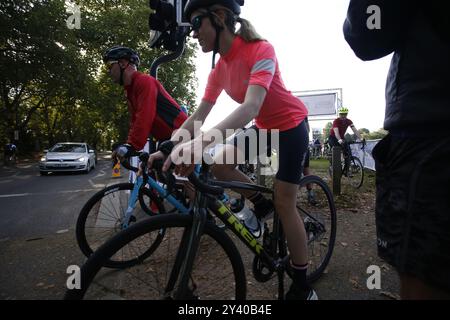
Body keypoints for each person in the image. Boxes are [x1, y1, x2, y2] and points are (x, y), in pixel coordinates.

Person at [148, 0, 317, 300]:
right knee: (220, 165)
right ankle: (260, 204)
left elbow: (252, 105)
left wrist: (200, 143)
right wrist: (171, 145)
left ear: (220, 17)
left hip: (291, 127)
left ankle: (302, 283)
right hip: (264, 128)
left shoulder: (261, 49)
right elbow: (198, 116)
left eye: (197, 23)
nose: (193, 33)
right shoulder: (218, 70)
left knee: (284, 201)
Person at [344, 1, 450, 299]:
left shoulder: (348, 121)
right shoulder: (339, 123)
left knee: (426, 275)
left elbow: (367, 35)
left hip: (429, 126)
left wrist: (353, 136)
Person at [102, 46, 188, 158]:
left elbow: (145, 115)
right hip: (167, 140)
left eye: (109, 65)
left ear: (122, 63)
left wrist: (132, 145)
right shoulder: (130, 90)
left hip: (183, 136)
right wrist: (129, 144)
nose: (109, 71)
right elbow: (135, 121)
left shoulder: (144, 81)